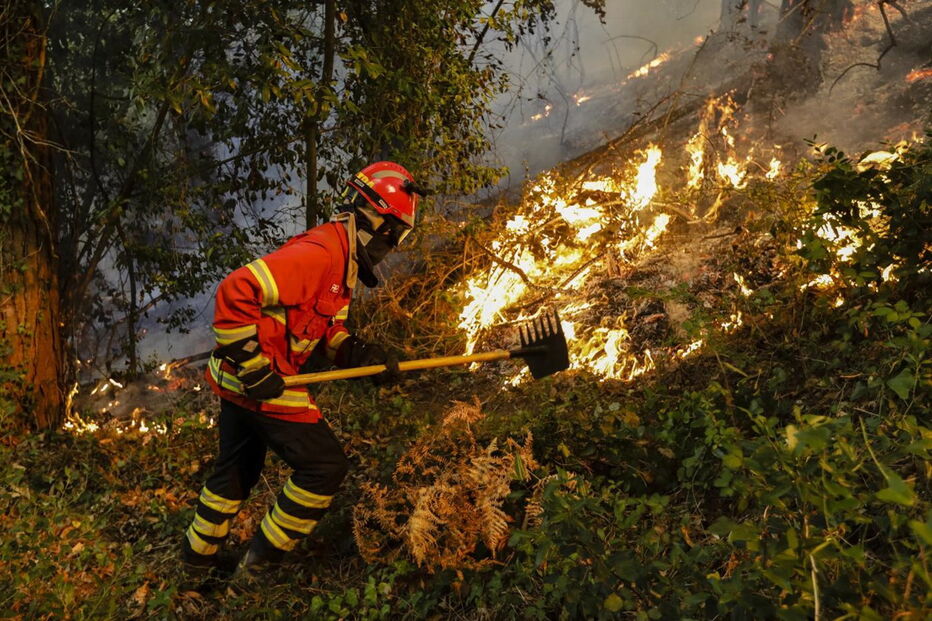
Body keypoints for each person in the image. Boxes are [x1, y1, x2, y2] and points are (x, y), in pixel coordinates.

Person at [181, 161, 425, 577]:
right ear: (382, 224)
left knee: (237, 471)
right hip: (260, 380)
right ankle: (259, 568)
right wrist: (256, 368)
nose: (394, 246)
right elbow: (236, 290)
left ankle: (195, 564)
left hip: (239, 380)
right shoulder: (321, 255)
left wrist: (358, 354)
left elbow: (324, 327)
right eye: (396, 234)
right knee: (324, 467)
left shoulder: (342, 258)